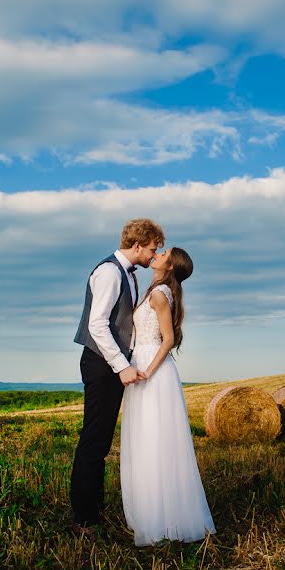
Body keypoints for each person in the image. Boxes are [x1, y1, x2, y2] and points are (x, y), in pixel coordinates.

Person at [69, 218, 165, 536]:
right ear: (137, 245)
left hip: (111, 364)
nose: (154, 256)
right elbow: (98, 324)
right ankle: (84, 520)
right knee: (93, 441)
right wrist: (121, 365)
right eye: (152, 249)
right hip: (101, 364)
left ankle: (93, 510)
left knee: (101, 442)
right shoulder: (110, 271)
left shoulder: (127, 274)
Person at [120, 247, 216, 546]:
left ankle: (162, 518)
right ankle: (153, 512)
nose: (157, 253)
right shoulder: (156, 289)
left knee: (155, 440)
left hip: (153, 369)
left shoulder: (160, 294)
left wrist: (146, 371)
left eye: (164, 253)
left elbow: (169, 339)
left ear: (171, 266)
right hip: (144, 363)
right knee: (147, 439)